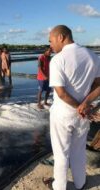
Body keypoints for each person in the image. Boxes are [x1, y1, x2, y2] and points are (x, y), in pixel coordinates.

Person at [45, 25, 100, 190]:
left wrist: (80, 106)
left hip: (63, 114)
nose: (51, 45)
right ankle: (80, 183)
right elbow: (98, 84)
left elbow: (61, 93)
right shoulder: (92, 56)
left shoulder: (58, 59)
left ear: (61, 37)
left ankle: (59, 187)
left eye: (51, 41)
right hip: (83, 116)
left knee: (61, 153)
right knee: (78, 151)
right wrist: (86, 104)